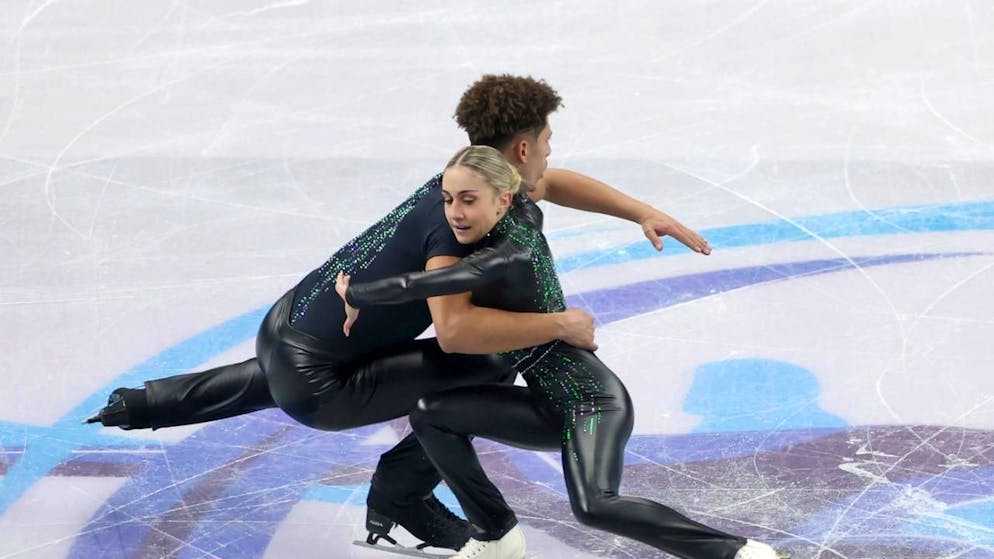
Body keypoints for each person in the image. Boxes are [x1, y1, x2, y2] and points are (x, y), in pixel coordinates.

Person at [85, 74, 712, 553]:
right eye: (547, 142)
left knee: (294, 369)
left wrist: (639, 212)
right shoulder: (462, 231)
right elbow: (457, 330)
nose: (551, 154)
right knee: (492, 359)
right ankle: (401, 498)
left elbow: (552, 184)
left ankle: (148, 402)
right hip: (323, 384)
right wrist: (559, 325)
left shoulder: (472, 178)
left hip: (288, 326)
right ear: (522, 148)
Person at [338, 145, 784, 559]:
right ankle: (495, 533)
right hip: (546, 404)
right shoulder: (517, 217)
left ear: (504, 201)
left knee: (594, 506)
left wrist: (357, 291)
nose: (455, 212)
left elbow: (433, 282)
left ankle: (738, 552)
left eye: (468, 200)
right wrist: (639, 213)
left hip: (591, 402)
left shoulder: (511, 249)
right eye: (448, 199)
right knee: (432, 412)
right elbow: (550, 183)